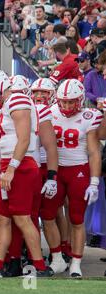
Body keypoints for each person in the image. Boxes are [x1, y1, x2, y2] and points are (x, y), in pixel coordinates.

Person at [0, 70, 53, 277]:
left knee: (22, 219)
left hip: (21, 166)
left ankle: (39, 267)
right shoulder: (2, 108)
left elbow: (24, 139)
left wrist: (11, 169)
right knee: (2, 218)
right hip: (8, 165)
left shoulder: (17, 99)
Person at [40, 79, 102, 277]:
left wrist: (94, 181)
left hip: (78, 170)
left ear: (81, 99)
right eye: (63, 102)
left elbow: (93, 151)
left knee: (76, 218)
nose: (66, 106)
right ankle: (57, 259)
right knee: (48, 215)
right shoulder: (50, 112)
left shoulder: (89, 116)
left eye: (71, 102)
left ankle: (76, 262)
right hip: (55, 170)